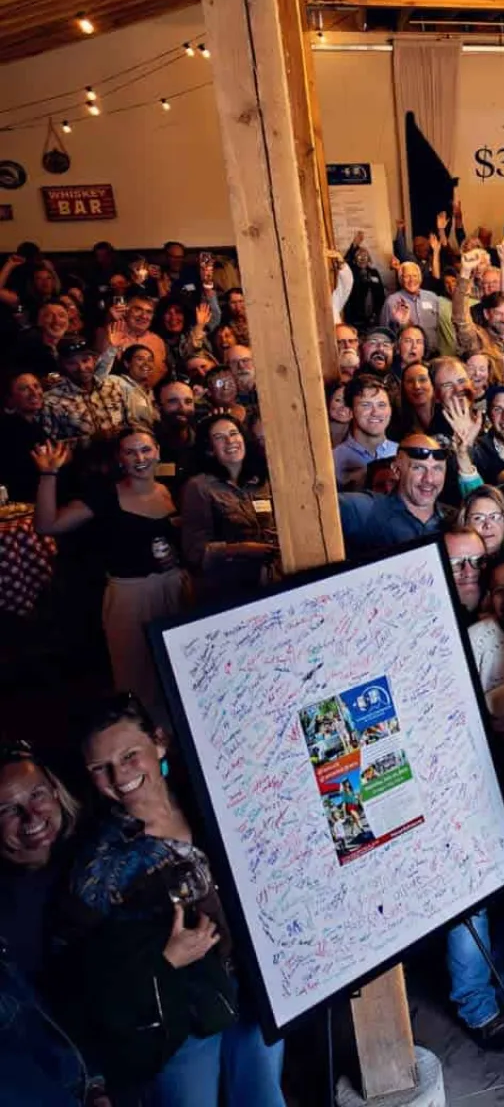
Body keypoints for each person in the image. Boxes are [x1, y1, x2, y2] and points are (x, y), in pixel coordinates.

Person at [67, 693, 285, 1106]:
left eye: (129, 755)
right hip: (181, 1016)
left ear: (159, 742)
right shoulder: (99, 863)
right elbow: (84, 975)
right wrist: (164, 960)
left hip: (255, 989)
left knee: (262, 1097)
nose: (119, 775)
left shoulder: (210, 798)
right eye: (100, 768)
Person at [33, 430, 186, 715]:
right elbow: (47, 525)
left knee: (180, 674)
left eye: (145, 450)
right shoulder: (105, 495)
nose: (140, 458)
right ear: (120, 459)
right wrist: (49, 474)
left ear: (158, 452)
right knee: (136, 678)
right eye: (130, 452)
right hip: (129, 596)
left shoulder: (173, 491)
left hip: (175, 589)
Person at [0, 743, 91, 1105]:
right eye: (8, 810)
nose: (31, 815)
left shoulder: (97, 854)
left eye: (37, 794)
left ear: (55, 791)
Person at [180, 413, 276, 603]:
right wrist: (241, 549)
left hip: (269, 580)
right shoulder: (199, 487)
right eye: (219, 437)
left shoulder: (262, 479)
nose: (230, 441)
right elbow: (194, 551)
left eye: (233, 433)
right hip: (227, 588)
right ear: (209, 449)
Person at [336, 432, 448, 558]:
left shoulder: (453, 521)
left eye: (437, 469)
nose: (429, 479)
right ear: (396, 470)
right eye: (418, 468)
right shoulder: (366, 509)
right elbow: (321, 504)